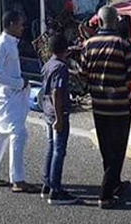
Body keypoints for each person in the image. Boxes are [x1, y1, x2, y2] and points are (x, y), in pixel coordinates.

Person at [80, 5, 131, 209]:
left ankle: (115, 184)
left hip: (99, 106)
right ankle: (105, 193)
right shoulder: (124, 43)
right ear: (115, 21)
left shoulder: (88, 44)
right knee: (118, 149)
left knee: (106, 148)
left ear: (100, 21)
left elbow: (83, 74)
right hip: (120, 107)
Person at [0, 11, 39, 193]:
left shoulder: (8, 43)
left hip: (8, 96)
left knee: (1, 133)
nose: (23, 28)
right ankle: (18, 180)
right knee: (18, 134)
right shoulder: (3, 45)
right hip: (7, 97)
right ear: (12, 24)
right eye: (21, 24)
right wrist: (19, 83)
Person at [40, 34, 79, 205]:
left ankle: (46, 183)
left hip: (47, 111)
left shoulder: (48, 64)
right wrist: (59, 118)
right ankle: (56, 190)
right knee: (59, 151)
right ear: (65, 49)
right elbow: (57, 92)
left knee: (50, 147)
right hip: (58, 113)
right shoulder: (61, 68)